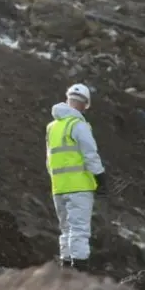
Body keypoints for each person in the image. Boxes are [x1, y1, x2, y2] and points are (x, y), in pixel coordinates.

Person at [45, 83, 107, 272]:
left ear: (67, 98)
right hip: (79, 187)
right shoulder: (78, 125)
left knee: (66, 231)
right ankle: (79, 274)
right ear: (85, 104)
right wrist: (100, 178)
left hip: (58, 187)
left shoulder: (52, 127)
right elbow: (90, 154)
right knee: (79, 231)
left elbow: (49, 161)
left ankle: (66, 272)